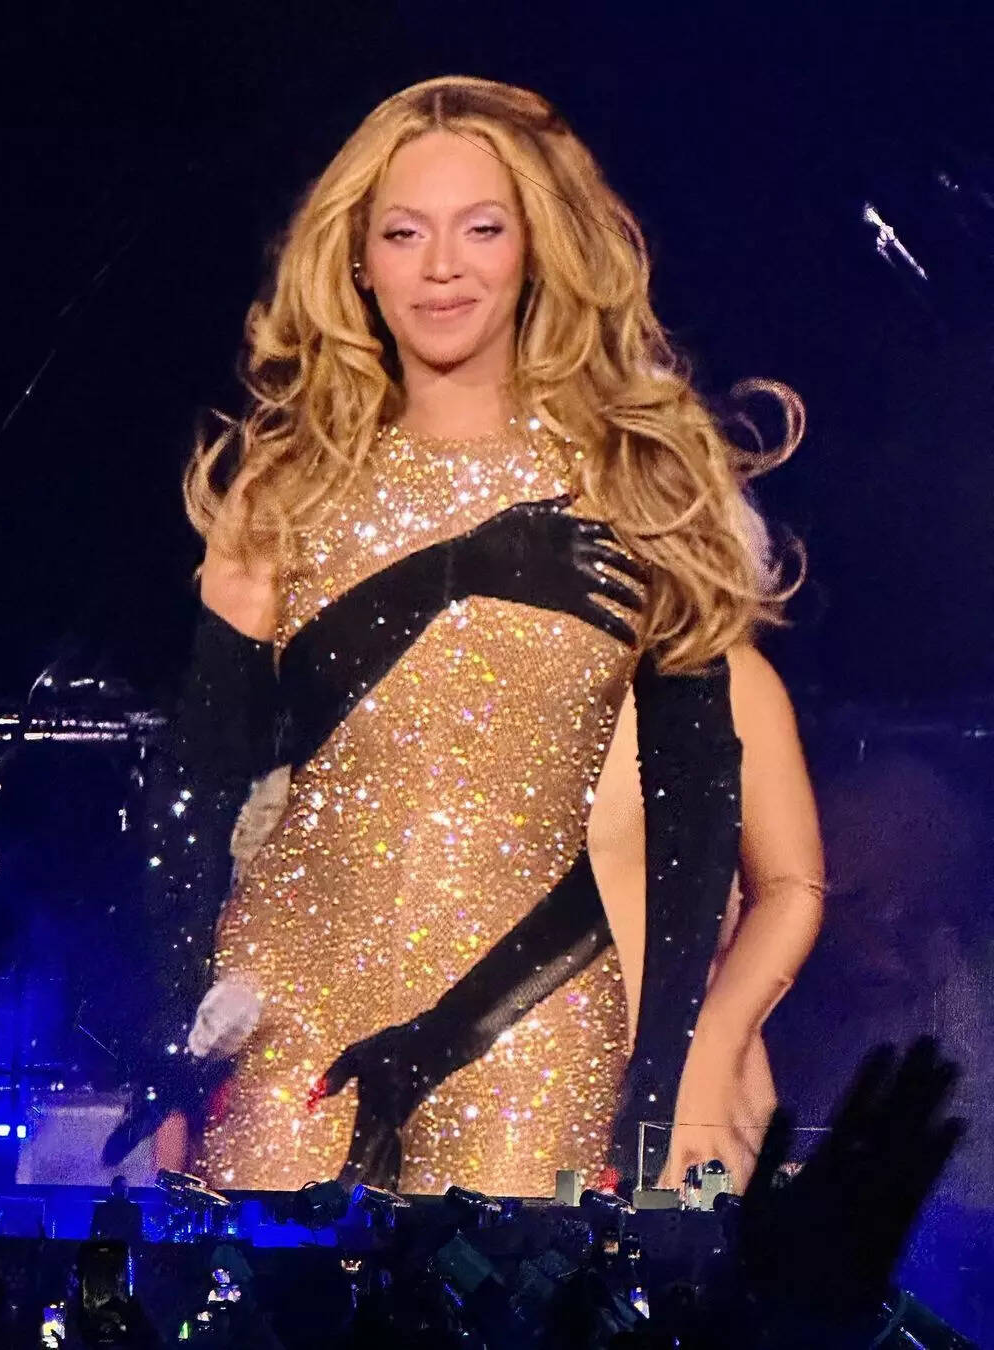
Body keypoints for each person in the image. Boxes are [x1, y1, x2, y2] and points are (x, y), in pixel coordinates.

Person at [105, 75, 825, 1197]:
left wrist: (669, 1067)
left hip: (530, 1023)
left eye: (481, 229)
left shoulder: (633, 482)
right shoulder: (288, 486)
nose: (442, 267)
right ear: (359, 258)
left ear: (535, 247)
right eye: (404, 233)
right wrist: (171, 1032)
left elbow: (694, 829)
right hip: (287, 996)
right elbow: (195, 784)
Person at [90, 1176, 144, 1247]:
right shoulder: (102, 1209)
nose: (124, 1190)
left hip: (127, 1249)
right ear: (113, 1189)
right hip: (107, 1248)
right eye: (121, 1187)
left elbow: (138, 1233)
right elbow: (93, 1232)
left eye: (126, 1187)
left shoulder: (135, 1209)